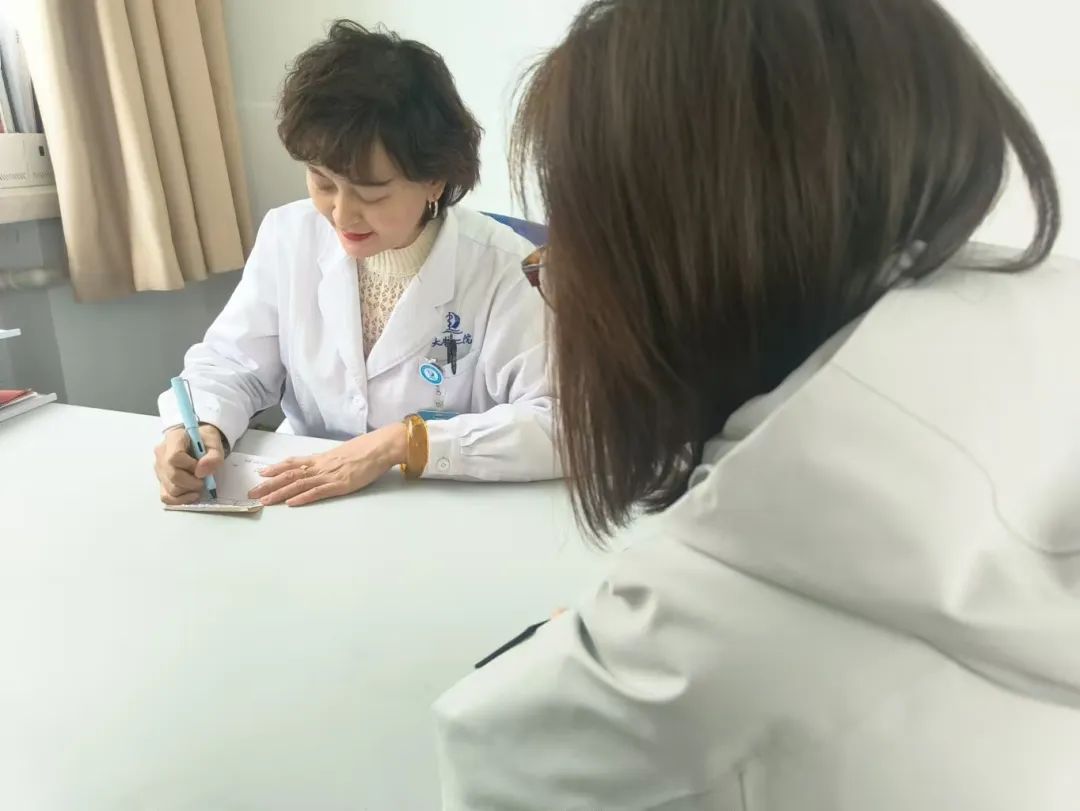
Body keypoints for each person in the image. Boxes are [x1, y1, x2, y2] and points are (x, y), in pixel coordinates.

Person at [433, 0, 1080, 808]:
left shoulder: (658, 679)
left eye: (574, 247)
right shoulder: (1043, 328)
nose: (341, 209)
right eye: (324, 180)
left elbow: (503, 750)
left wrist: (419, 447)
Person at [153, 21, 556, 507]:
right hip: (300, 495)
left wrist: (404, 443)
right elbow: (234, 363)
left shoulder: (506, 268)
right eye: (322, 182)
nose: (342, 215)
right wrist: (200, 426)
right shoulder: (290, 235)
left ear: (434, 179)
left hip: (438, 505)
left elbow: (562, 424)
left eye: (372, 193)